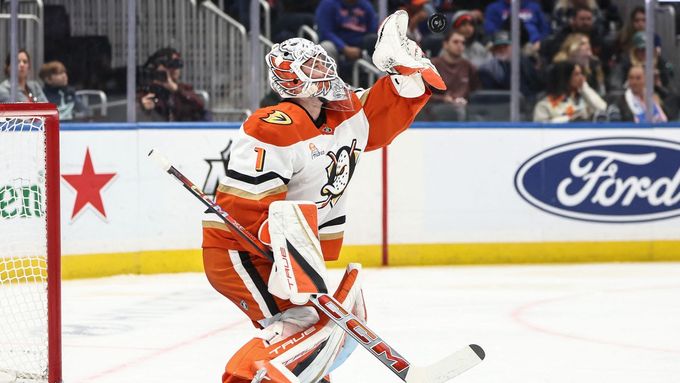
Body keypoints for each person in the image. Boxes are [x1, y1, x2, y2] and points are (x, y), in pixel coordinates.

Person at [201, 10, 443, 383]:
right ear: (293, 82)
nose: (324, 70)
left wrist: (406, 76)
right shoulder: (273, 127)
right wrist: (284, 254)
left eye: (320, 61)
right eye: (312, 68)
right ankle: (244, 377)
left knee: (317, 332)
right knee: (300, 325)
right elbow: (243, 207)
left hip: (290, 250)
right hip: (240, 249)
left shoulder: (344, 112)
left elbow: (380, 122)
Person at [137, 47, 208, 122]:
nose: (175, 69)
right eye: (171, 65)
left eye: (177, 64)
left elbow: (199, 105)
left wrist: (176, 89)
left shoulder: (183, 89)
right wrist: (142, 107)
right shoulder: (147, 91)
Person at [428, 29, 480, 120]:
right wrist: (443, 99)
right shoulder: (432, 65)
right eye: (456, 42)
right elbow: (422, 94)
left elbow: (476, 91)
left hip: (464, 111)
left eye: (463, 43)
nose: (460, 45)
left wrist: (466, 100)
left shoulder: (469, 66)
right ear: (445, 44)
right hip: (436, 113)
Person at [533, 61, 606, 122]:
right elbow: (541, 130)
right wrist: (570, 119)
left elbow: (602, 109)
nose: (582, 78)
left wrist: (584, 87)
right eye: (576, 74)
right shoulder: (544, 105)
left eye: (581, 74)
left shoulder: (585, 99)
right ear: (565, 78)